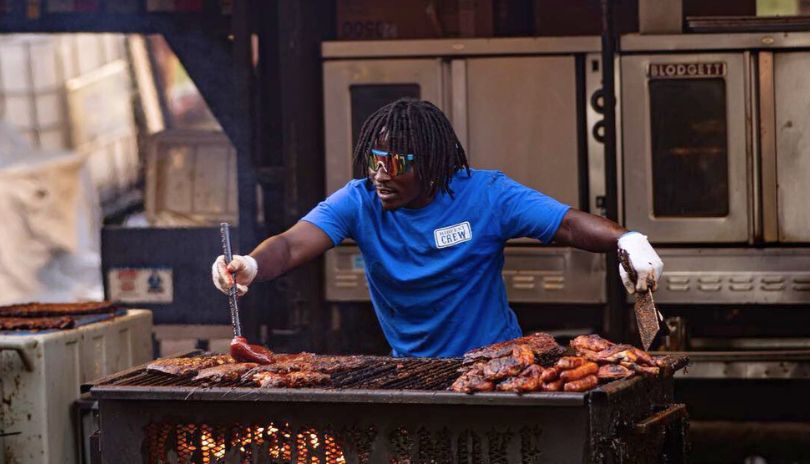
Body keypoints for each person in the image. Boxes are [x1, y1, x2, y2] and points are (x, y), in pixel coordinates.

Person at [212, 99, 663, 358]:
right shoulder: (359, 200)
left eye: (398, 163)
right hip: (412, 371)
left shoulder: (486, 194)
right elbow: (291, 246)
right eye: (376, 160)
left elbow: (564, 224)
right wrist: (251, 263)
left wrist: (627, 238)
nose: (381, 175)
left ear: (431, 163)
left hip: (497, 365)